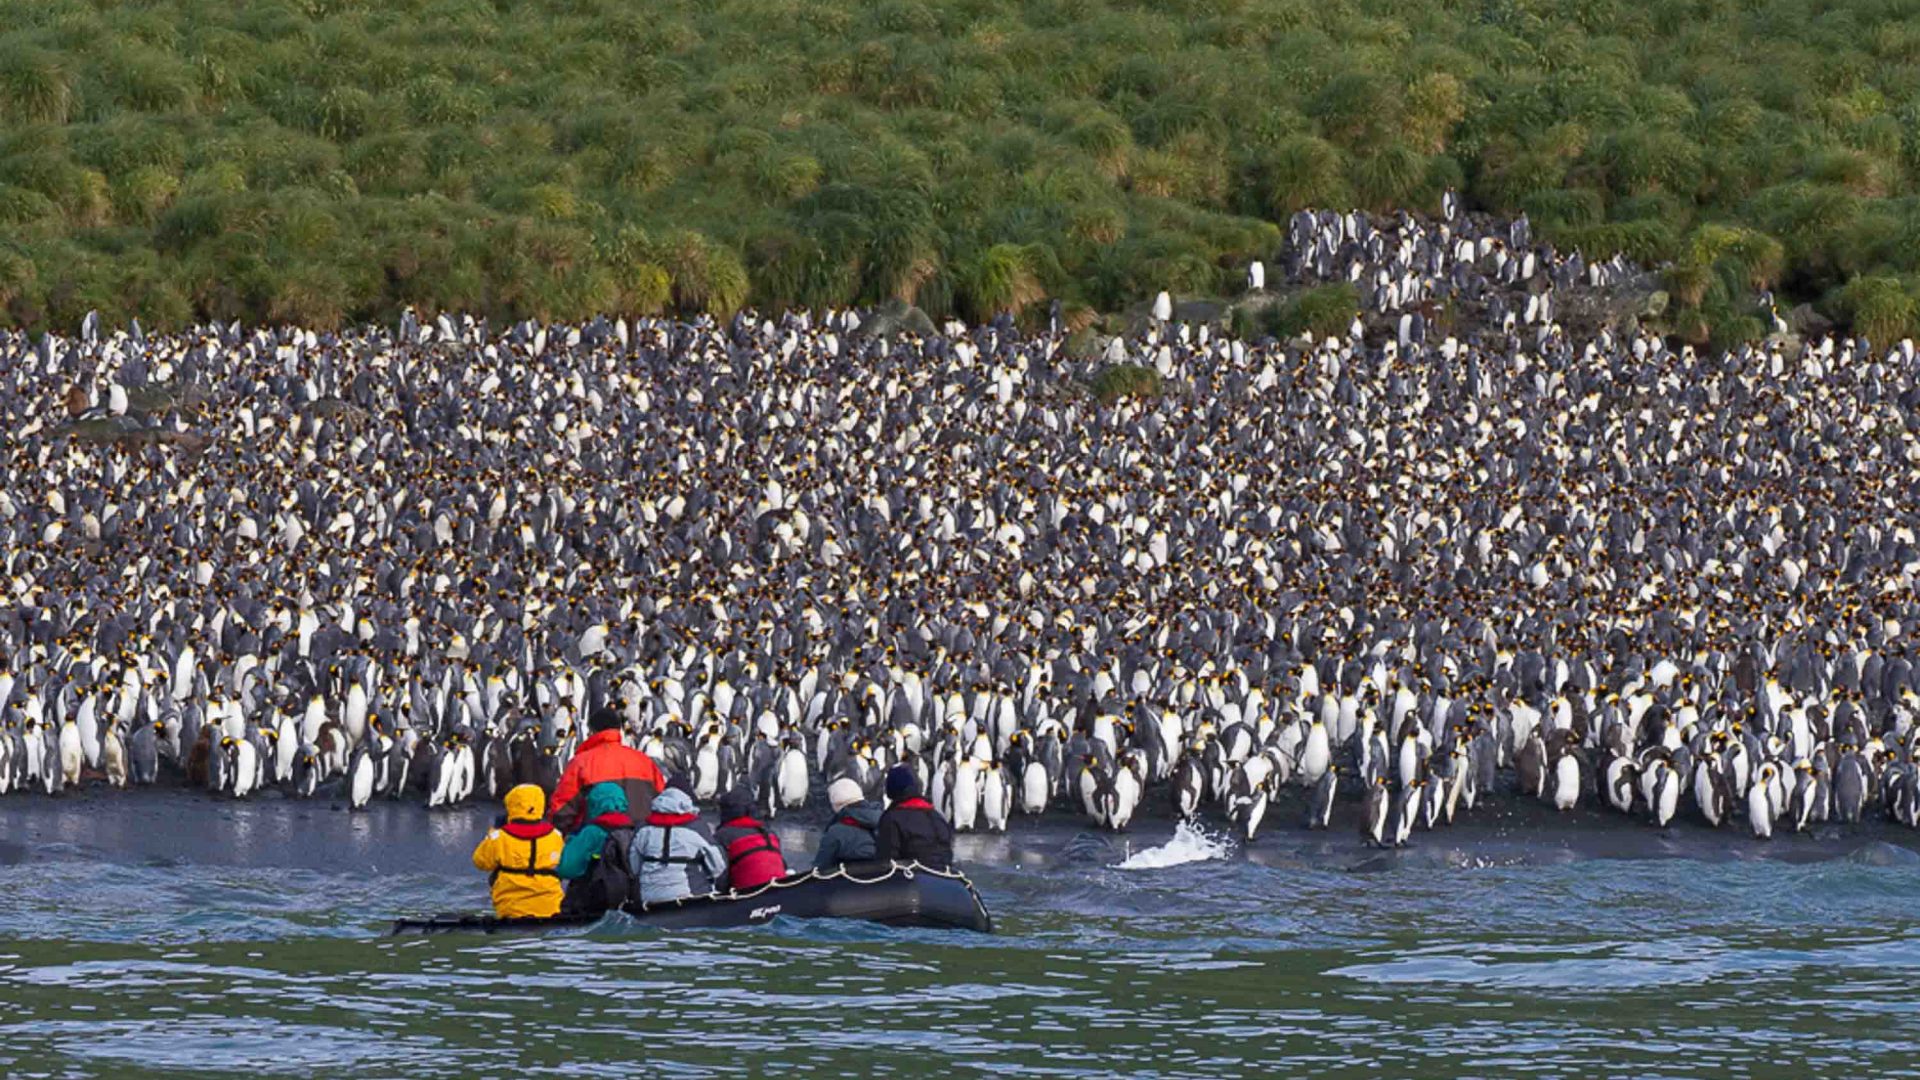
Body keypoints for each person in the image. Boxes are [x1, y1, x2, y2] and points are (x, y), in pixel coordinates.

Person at [549, 707, 666, 833]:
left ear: (592, 731)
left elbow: (561, 812)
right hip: (640, 841)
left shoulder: (581, 763)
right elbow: (662, 801)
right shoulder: (645, 761)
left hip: (597, 842)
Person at [470, 783, 564, 918]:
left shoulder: (499, 837)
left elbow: (481, 862)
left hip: (510, 908)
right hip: (551, 906)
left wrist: (494, 832)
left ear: (511, 805)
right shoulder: (555, 835)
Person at [629, 785, 728, 905]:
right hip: (688, 897)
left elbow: (634, 866)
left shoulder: (643, 830)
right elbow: (718, 866)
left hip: (648, 898)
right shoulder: (696, 829)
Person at [555, 781, 637, 915]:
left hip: (589, 904)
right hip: (625, 903)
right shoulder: (633, 831)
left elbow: (567, 869)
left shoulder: (591, 833)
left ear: (593, 803)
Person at [875, 764, 954, 868]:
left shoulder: (892, 818)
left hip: (911, 877)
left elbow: (887, 859)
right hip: (944, 875)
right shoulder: (936, 816)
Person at [714, 786, 787, 891]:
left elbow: (720, 875)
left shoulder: (723, 836)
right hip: (778, 891)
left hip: (748, 895)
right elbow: (783, 866)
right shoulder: (769, 833)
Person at [812, 777, 881, 870]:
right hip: (885, 878)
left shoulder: (836, 832)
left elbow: (819, 870)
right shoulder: (886, 819)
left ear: (836, 805)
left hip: (849, 882)